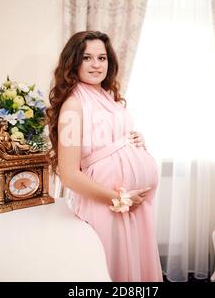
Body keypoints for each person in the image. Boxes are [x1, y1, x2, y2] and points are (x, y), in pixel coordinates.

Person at [46, 31, 163, 282]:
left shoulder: (107, 96)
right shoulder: (73, 105)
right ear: (74, 62)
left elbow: (110, 140)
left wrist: (134, 142)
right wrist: (119, 198)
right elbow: (69, 174)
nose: (96, 64)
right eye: (87, 58)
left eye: (102, 58)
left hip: (129, 204)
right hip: (108, 204)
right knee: (111, 270)